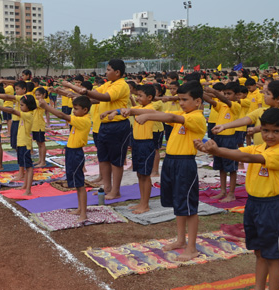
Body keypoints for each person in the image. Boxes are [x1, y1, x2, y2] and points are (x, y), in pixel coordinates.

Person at [194, 108, 279, 290]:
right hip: (253, 204)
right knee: (259, 252)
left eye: (276, 131)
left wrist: (215, 150)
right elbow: (236, 151)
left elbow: (246, 157)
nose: (270, 135)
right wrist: (212, 148)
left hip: (271, 207)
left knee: (273, 256)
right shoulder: (261, 147)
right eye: (266, 130)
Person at [132, 81, 207, 261]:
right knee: (178, 203)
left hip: (184, 163)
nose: (181, 103)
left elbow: (170, 118)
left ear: (197, 101)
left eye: (185, 99)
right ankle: (181, 240)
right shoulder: (183, 113)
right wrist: (129, 111)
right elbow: (162, 113)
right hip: (171, 161)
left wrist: (147, 117)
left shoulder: (196, 117)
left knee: (189, 207)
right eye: (179, 99)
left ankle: (192, 247)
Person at [65, 59, 131, 200]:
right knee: (104, 158)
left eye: (108, 70)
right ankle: (107, 187)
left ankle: (116, 190)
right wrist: (78, 95)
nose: (106, 72)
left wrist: (81, 90)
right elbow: (95, 97)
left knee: (116, 160)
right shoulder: (108, 84)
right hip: (105, 125)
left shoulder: (121, 85)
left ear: (117, 72)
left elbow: (105, 97)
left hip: (117, 126)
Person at [103, 84, 157, 214]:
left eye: (140, 96)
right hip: (137, 143)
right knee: (140, 175)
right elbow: (125, 109)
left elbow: (144, 112)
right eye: (137, 95)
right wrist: (111, 112)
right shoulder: (138, 107)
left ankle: (145, 204)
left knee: (145, 175)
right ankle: (142, 202)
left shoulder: (151, 107)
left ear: (149, 97)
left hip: (146, 144)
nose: (137, 98)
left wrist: (131, 111)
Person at [39, 95, 92, 221]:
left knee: (80, 184)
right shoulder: (80, 118)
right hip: (71, 151)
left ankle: (84, 213)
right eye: (74, 108)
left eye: (76, 109)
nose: (74, 111)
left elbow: (62, 115)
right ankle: (80, 209)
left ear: (85, 110)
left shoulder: (84, 120)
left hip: (76, 153)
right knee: (75, 182)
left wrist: (47, 107)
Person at [202, 82, 242, 203]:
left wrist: (214, 92)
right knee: (221, 166)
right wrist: (198, 91)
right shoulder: (221, 106)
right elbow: (212, 101)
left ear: (237, 95)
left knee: (231, 167)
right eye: (225, 93)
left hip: (229, 138)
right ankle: (223, 191)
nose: (227, 96)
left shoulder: (235, 105)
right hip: (218, 138)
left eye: (229, 93)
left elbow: (225, 100)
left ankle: (232, 193)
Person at [0, 95, 37, 195]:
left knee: (29, 167)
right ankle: (25, 185)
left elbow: (12, 111)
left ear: (28, 106)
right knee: (23, 164)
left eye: (22, 105)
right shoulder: (25, 114)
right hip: (21, 143)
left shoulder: (28, 115)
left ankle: (28, 190)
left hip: (25, 144)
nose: (20, 107)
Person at [32, 87, 48, 167]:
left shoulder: (41, 102)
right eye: (36, 95)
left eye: (39, 95)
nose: (37, 96)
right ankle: (40, 159)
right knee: (39, 143)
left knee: (41, 144)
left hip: (39, 126)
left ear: (44, 95)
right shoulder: (37, 101)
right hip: (35, 125)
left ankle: (43, 161)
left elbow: (31, 102)